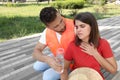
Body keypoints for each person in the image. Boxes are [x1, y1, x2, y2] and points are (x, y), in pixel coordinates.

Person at [61, 12, 117, 80]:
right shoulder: (72, 45)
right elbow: (65, 69)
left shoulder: (103, 43)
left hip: (95, 77)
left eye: (82, 26)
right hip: (78, 77)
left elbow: (113, 70)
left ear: (92, 26)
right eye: (76, 27)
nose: (78, 30)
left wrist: (95, 53)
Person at [32, 7, 75, 80]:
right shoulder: (47, 32)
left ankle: (66, 73)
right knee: (37, 66)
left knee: (47, 77)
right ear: (48, 27)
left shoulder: (76, 26)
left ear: (59, 14)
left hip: (72, 63)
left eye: (61, 20)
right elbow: (36, 52)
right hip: (59, 58)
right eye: (56, 26)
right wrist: (48, 60)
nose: (62, 26)